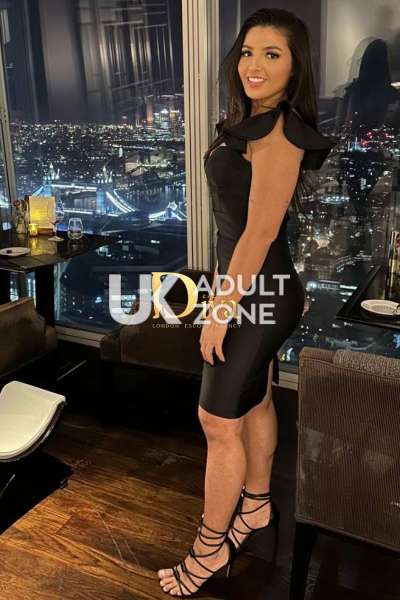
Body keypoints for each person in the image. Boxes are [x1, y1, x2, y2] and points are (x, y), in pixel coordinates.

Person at [158, 7, 336, 596]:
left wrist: (219, 311)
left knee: (216, 421)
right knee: (254, 401)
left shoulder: (279, 131)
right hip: (253, 288)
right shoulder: (254, 122)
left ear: (295, 67)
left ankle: (209, 549)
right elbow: (234, 232)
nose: (253, 65)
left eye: (272, 54)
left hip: (259, 292)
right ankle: (256, 506)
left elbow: (258, 234)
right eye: (247, 52)